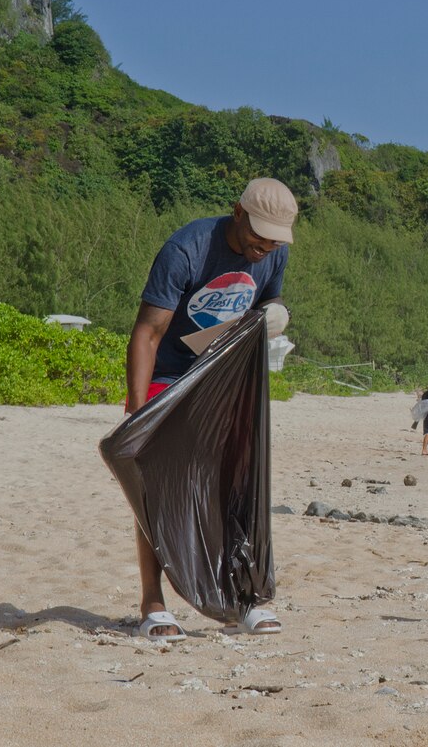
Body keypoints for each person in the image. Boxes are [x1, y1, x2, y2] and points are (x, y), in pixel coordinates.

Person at [125, 177, 298, 641]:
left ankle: (246, 599)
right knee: (157, 488)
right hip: (171, 373)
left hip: (226, 376)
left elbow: (267, 299)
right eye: (258, 235)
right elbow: (147, 332)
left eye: (275, 239)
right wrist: (138, 415)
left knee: (236, 485)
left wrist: (275, 311)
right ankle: (153, 604)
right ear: (237, 213)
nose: (265, 247)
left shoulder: (273, 250)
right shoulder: (187, 249)